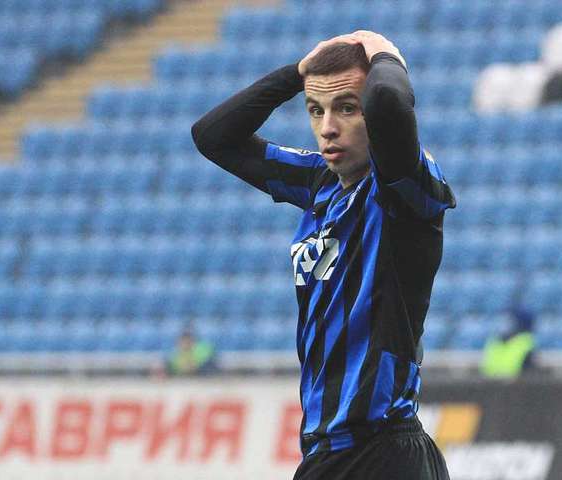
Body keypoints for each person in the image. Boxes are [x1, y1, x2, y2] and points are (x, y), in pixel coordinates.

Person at [191, 31, 455, 480]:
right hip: (336, 452)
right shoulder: (320, 183)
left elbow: (389, 100)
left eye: (347, 108)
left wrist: (382, 51)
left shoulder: (401, 189)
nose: (328, 127)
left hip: (379, 450)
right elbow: (213, 137)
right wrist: (297, 74)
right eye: (316, 110)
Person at [480, 308, 536, 379]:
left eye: (508, 321)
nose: (503, 324)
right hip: (490, 382)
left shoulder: (525, 342)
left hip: (517, 384)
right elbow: (485, 368)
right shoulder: (493, 341)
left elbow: (527, 371)